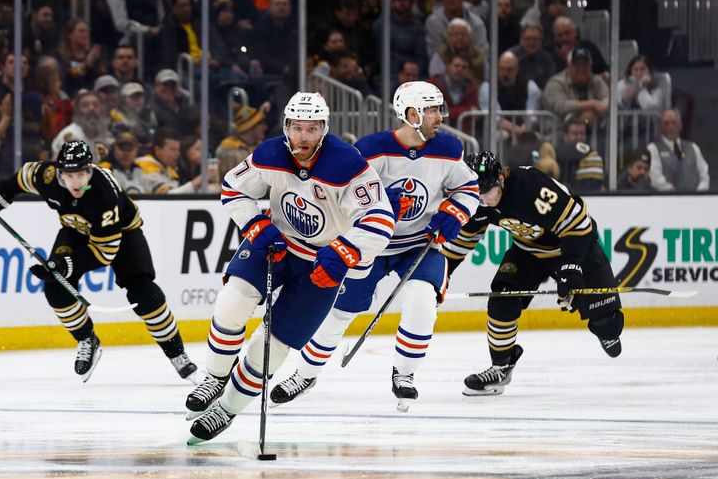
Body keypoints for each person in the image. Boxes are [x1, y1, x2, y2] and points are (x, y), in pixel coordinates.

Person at [185, 92, 395, 443]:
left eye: (312, 129)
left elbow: (380, 218)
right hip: (277, 246)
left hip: (323, 263)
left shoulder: (348, 164)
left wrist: (344, 251)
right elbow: (233, 189)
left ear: (324, 130)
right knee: (232, 300)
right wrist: (256, 225)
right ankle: (215, 377)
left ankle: (228, 409)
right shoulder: (270, 153)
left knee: (274, 345)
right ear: (286, 127)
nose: (303, 137)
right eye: (297, 128)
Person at [269, 81, 479, 410]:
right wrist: (382, 204)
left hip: (417, 245)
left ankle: (405, 373)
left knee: (422, 300)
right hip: (369, 246)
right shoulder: (371, 149)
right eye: (434, 110)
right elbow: (342, 196)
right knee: (339, 313)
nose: (441, 116)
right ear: (412, 114)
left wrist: (457, 210)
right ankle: (305, 373)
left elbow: (468, 187)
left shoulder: (449, 149)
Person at [0, 140, 199, 383]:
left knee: (144, 293)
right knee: (55, 287)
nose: (76, 182)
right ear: (59, 172)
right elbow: (21, 178)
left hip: (122, 233)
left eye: (81, 174)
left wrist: (64, 264)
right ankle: (86, 339)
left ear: (90, 170)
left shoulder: (104, 196)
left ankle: (178, 355)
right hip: (76, 230)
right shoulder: (46, 176)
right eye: (69, 175)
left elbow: (104, 253)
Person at [444, 151, 625, 397]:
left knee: (609, 326)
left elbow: (579, 225)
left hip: (573, 246)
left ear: (501, 178)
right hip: (529, 251)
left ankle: (605, 327)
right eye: (478, 195)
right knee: (502, 299)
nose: (484, 201)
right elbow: (461, 243)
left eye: (487, 192)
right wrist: (440, 275)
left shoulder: (530, 187)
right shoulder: (475, 200)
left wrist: (570, 270)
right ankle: (501, 367)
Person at [646, 109, 710, 192]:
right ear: (660, 127)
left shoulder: (693, 147)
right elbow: (655, 178)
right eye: (666, 123)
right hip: (667, 200)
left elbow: (704, 174)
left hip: (695, 200)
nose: (670, 127)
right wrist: (676, 195)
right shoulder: (652, 149)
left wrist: (698, 194)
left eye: (673, 123)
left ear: (680, 125)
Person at [509, 23, 556, 89]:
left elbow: (551, 82)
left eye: (535, 39)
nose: (531, 42)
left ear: (541, 41)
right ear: (521, 39)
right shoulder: (510, 56)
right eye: (528, 39)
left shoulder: (547, 58)